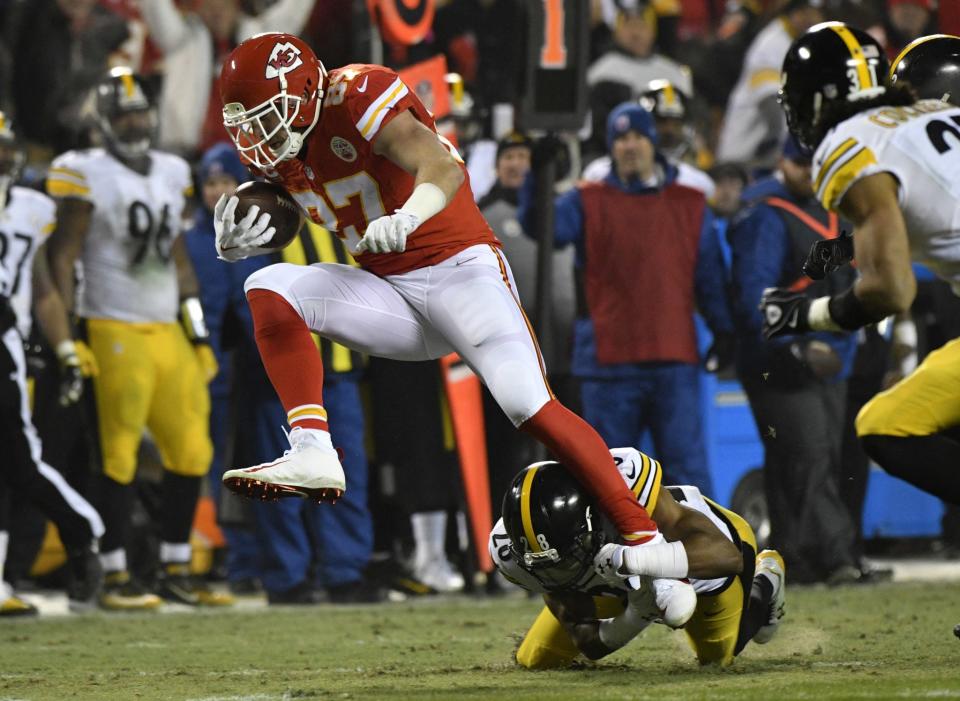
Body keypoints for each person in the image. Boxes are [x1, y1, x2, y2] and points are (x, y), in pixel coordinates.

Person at [212, 34, 662, 552]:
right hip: (389, 294)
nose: (259, 138)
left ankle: (642, 534)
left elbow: (442, 166)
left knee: (526, 403)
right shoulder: (280, 147)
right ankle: (313, 447)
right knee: (268, 284)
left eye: (269, 117)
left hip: (459, 271)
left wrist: (408, 217)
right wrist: (254, 234)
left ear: (307, 90)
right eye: (248, 126)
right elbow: (303, 201)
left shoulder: (356, 95)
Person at [46, 68, 229, 610]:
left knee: (193, 449)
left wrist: (197, 334)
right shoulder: (83, 173)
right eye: (123, 114)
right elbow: (62, 257)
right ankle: (116, 572)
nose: (134, 122)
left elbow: (177, 258)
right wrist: (69, 334)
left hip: (165, 327)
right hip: (111, 324)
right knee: (118, 456)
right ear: (104, 119)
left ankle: (175, 566)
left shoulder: (173, 170)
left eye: (140, 112)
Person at [760, 22, 960, 507]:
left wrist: (808, 315)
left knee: (887, 427)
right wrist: (848, 248)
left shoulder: (849, 143)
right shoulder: (924, 118)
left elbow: (893, 291)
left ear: (819, 97)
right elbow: (934, 206)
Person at [521, 103, 734, 493]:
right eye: (620, 139)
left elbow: (710, 279)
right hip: (609, 365)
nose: (629, 146)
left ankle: (704, 551)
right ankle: (612, 553)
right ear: (611, 147)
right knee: (608, 475)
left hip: (672, 360)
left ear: (652, 141)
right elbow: (541, 226)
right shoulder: (587, 201)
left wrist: (724, 332)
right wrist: (538, 175)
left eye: (637, 136)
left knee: (687, 473)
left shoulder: (690, 203)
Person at [490, 450, 786, 669]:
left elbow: (727, 557)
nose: (557, 573)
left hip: (699, 560)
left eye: (564, 560)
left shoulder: (629, 488)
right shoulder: (518, 549)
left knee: (719, 657)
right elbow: (585, 638)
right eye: (547, 566)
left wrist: (632, 559)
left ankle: (767, 581)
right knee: (536, 659)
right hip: (610, 579)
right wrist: (636, 615)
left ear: (591, 522)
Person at [727, 136, 861, 584]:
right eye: (799, 162)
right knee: (806, 453)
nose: (807, 171)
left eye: (812, 163)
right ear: (783, 162)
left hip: (830, 355)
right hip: (776, 360)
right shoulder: (766, 214)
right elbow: (755, 295)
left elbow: (846, 283)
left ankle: (795, 558)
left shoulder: (833, 213)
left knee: (811, 458)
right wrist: (798, 348)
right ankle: (834, 558)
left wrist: (840, 349)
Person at [0, 112, 104, 615]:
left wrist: (65, 350)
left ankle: (82, 533)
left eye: (5, 145)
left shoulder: (30, 207)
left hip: (6, 342)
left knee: (17, 460)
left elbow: (43, 289)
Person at [139, 0, 313, 157]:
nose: (217, 13)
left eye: (224, 5)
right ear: (197, 10)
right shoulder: (181, 41)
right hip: (188, 153)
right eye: (209, 6)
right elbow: (155, 7)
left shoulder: (262, 40)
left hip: (256, 152)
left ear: (237, 7)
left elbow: (293, 11)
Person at [716, 0, 825, 173]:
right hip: (744, 156)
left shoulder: (797, 43)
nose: (816, 18)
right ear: (796, 13)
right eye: (810, 12)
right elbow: (769, 103)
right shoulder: (771, 44)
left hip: (764, 152)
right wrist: (789, 147)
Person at [582, 80, 715, 199]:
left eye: (676, 123)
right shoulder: (600, 173)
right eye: (662, 122)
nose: (669, 130)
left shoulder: (697, 182)